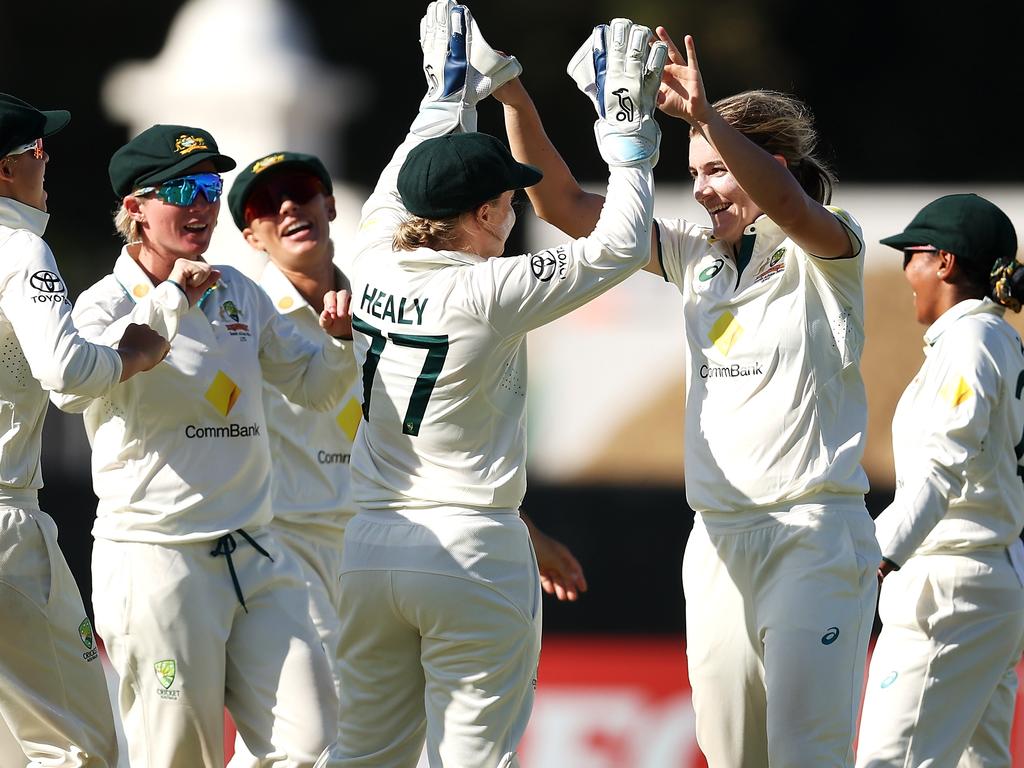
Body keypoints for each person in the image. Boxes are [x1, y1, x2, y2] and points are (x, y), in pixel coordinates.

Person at [498, 25, 880, 767]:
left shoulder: (827, 251)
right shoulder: (694, 256)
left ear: (771, 166)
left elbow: (792, 206)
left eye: (716, 170)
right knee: (731, 752)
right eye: (695, 171)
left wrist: (706, 115)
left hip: (813, 535)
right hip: (716, 540)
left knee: (808, 753)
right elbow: (566, 204)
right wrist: (514, 94)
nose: (702, 188)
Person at [314, 4, 665, 767]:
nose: (513, 213)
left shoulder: (372, 249)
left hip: (371, 547)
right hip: (471, 549)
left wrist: (450, 92)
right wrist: (628, 137)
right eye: (507, 202)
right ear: (482, 213)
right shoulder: (488, 291)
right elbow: (622, 242)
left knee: (363, 757)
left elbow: (408, 161)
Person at [50, 123, 358, 768]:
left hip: (256, 549)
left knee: (312, 741)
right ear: (134, 209)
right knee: (178, 756)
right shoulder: (101, 304)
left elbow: (312, 388)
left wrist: (337, 341)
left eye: (211, 187)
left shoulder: (238, 289)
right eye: (182, 189)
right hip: (158, 559)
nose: (201, 205)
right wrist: (171, 299)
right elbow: (72, 392)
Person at [0, 93, 170, 768]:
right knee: (79, 748)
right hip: (7, 527)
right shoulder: (18, 247)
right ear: (7, 170)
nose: (49, 167)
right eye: (39, 152)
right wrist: (134, 354)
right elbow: (68, 374)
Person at [856, 194, 1024, 768]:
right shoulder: (1002, 342)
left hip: (950, 588)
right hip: (991, 578)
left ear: (945, 262)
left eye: (914, 254)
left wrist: (872, 553)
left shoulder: (970, 344)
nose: (907, 270)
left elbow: (939, 468)